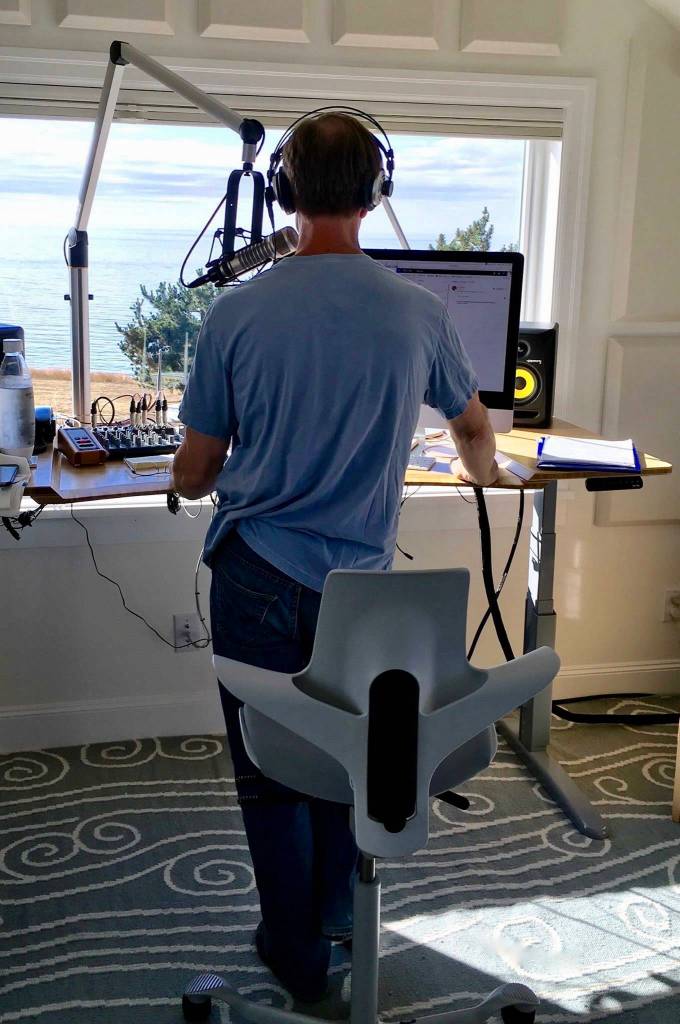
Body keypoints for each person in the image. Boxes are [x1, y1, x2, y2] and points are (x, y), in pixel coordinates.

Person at [172, 111, 498, 1010]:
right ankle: (335, 915)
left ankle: (294, 952)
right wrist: (493, 474)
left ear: (284, 190)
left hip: (257, 577)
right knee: (344, 757)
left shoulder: (235, 310)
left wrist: (224, 462)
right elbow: (471, 428)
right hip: (361, 593)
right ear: (375, 191)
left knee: (269, 770)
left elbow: (197, 475)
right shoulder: (420, 311)